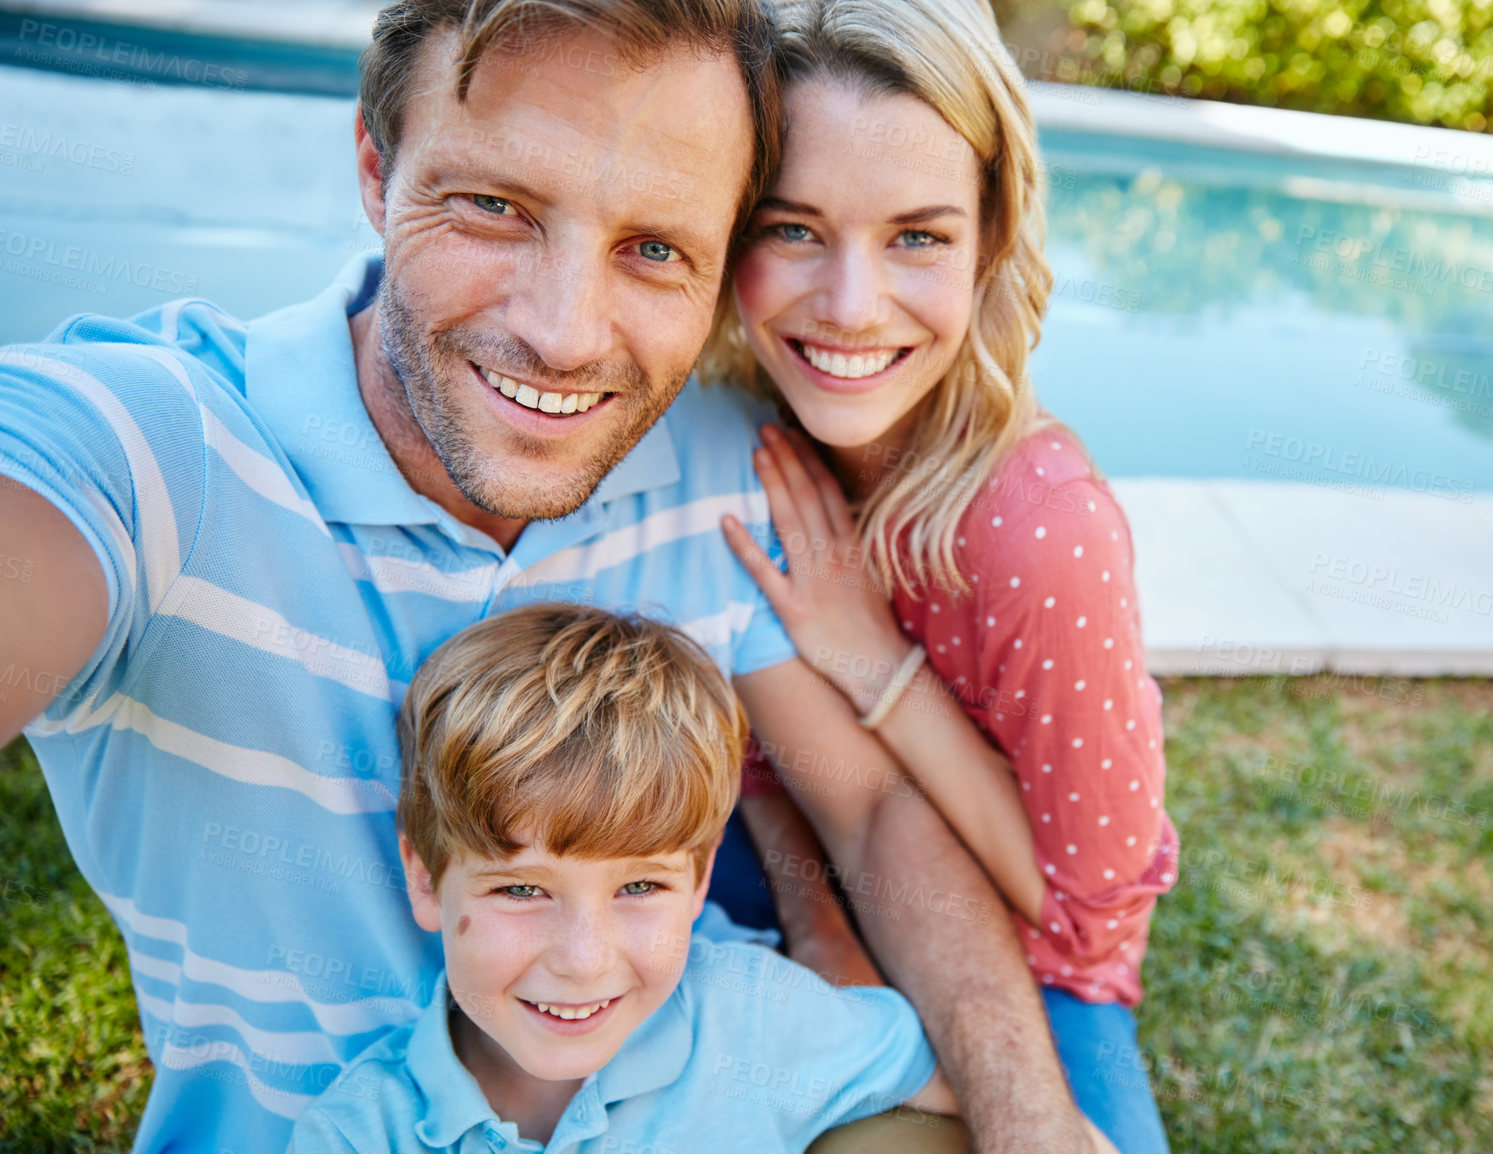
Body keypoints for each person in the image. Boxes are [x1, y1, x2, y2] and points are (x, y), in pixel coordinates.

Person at [0, 1, 1100, 1150]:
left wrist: (1032, 1124)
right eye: (495, 206)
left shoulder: (715, 460)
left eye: (655, 247)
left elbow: (867, 806)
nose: (567, 332)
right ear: (377, 168)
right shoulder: (158, 452)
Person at [709, 1, 1180, 1149]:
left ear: (989, 239)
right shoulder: (743, 439)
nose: (852, 307)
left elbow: (1082, 914)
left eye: (916, 236)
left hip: (1030, 952)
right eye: (793, 229)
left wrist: (876, 660)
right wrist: (827, 931)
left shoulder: (1036, 532)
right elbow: (766, 756)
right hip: (789, 856)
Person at [286, 604, 962, 1152]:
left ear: (699, 881)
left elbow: (964, 1085)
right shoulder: (358, 1133)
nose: (584, 961)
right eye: (521, 889)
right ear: (427, 879)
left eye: (640, 887)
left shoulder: (755, 1019)